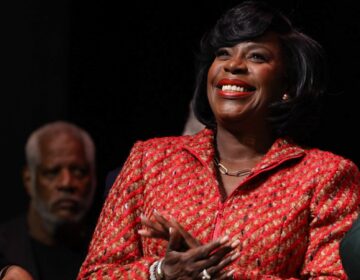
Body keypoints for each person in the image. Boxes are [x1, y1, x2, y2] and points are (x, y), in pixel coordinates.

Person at [77, 1, 360, 279]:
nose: (233, 65)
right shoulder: (150, 160)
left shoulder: (324, 175)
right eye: (223, 54)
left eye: (256, 57)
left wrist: (218, 273)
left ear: (286, 86)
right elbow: (94, 274)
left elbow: (331, 276)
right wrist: (161, 272)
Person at [0, 121, 97, 280]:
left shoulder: (114, 252)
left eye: (79, 171)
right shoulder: (4, 249)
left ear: (94, 179)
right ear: (28, 179)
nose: (66, 183)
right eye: (52, 172)